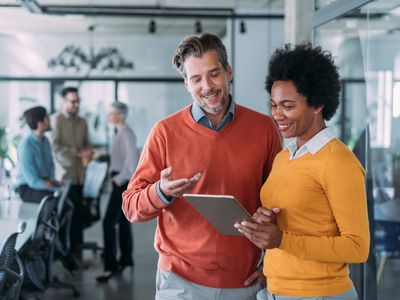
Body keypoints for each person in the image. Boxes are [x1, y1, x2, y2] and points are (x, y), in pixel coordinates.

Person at [122, 33, 282, 300]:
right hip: (180, 281)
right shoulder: (164, 132)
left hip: (244, 281)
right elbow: (131, 207)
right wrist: (161, 191)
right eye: (196, 79)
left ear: (228, 72)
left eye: (214, 74)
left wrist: (271, 266)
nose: (207, 86)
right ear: (186, 84)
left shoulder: (264, 128)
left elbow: (281, 204)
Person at [235, 44, 370, 300]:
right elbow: (297, 220)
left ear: (318, 103)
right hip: (276, 290)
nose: (277, 115)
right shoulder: (284, 157)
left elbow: (357, 247)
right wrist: (267, 222)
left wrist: (282, 240)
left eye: (287, 105)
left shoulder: (338, 161)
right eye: (274, 105)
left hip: (319, 294)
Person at [51, 86, 94, 264]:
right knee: (67, 215)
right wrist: (78, 152)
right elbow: (56, 149)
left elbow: (87, 145)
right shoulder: (56, 120)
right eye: (72, 101)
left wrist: (88, 152)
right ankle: (64, 254)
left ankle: (76, 253)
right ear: (63, 101)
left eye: (78, 101)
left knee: (76, 218)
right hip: (63, 177)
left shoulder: (82, 122)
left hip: (79, 175)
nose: (76, 104)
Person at [96, 102, 138, 283]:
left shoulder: (126, 134)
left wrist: (117, 179)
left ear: (121, 115)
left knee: (108, 223)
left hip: (121, 183)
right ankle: (126, 258)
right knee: (122, 221)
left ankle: (110, 267)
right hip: (120, 181)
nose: (108, 117)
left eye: (111, 113)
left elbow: (132, 165)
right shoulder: (120, 132)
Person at [17, 106, 59, 203]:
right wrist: (54, 188)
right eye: (47, 118)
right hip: (28, 188)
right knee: (55, 200)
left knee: (69, 194)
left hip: (44, 183)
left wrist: (54, 182)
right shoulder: (26, 145)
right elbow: (32, 181)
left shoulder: (46, 142)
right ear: (40, 124)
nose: (50, 120)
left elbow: (50, 165)